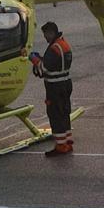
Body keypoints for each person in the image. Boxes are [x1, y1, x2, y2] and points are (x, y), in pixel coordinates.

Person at [30, 21, 74, 156]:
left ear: (51, 33)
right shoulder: (64, 45)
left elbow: (44, 68)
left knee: (55, 115)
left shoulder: (54, 48)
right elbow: (55, 63)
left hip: (55, 87)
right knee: (64, 113)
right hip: (66, 83)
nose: (45, 38)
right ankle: (67, 141)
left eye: (45, 34)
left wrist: (34, 59)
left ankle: (61, 146)